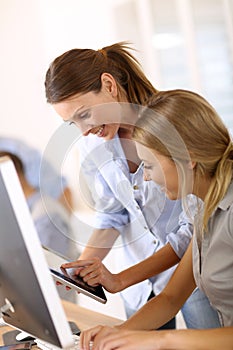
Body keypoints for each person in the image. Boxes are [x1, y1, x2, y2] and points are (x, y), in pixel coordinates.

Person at [44, 42, 219, 329]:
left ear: (109, 84)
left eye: (84, 114)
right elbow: (113, 213)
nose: (84, 131)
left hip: (191, 272)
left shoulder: (172, 121)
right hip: (138, 285)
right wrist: (82, 268)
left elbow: (194, 229)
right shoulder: (93, 145)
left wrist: (122, 278)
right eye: (72, 124)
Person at [79, 89, 233, 350]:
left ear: (187, 158)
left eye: (148, 166)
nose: (146, 178)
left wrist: (161, 339)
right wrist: (115, 334)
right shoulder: (202, 209)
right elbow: (171, 298)